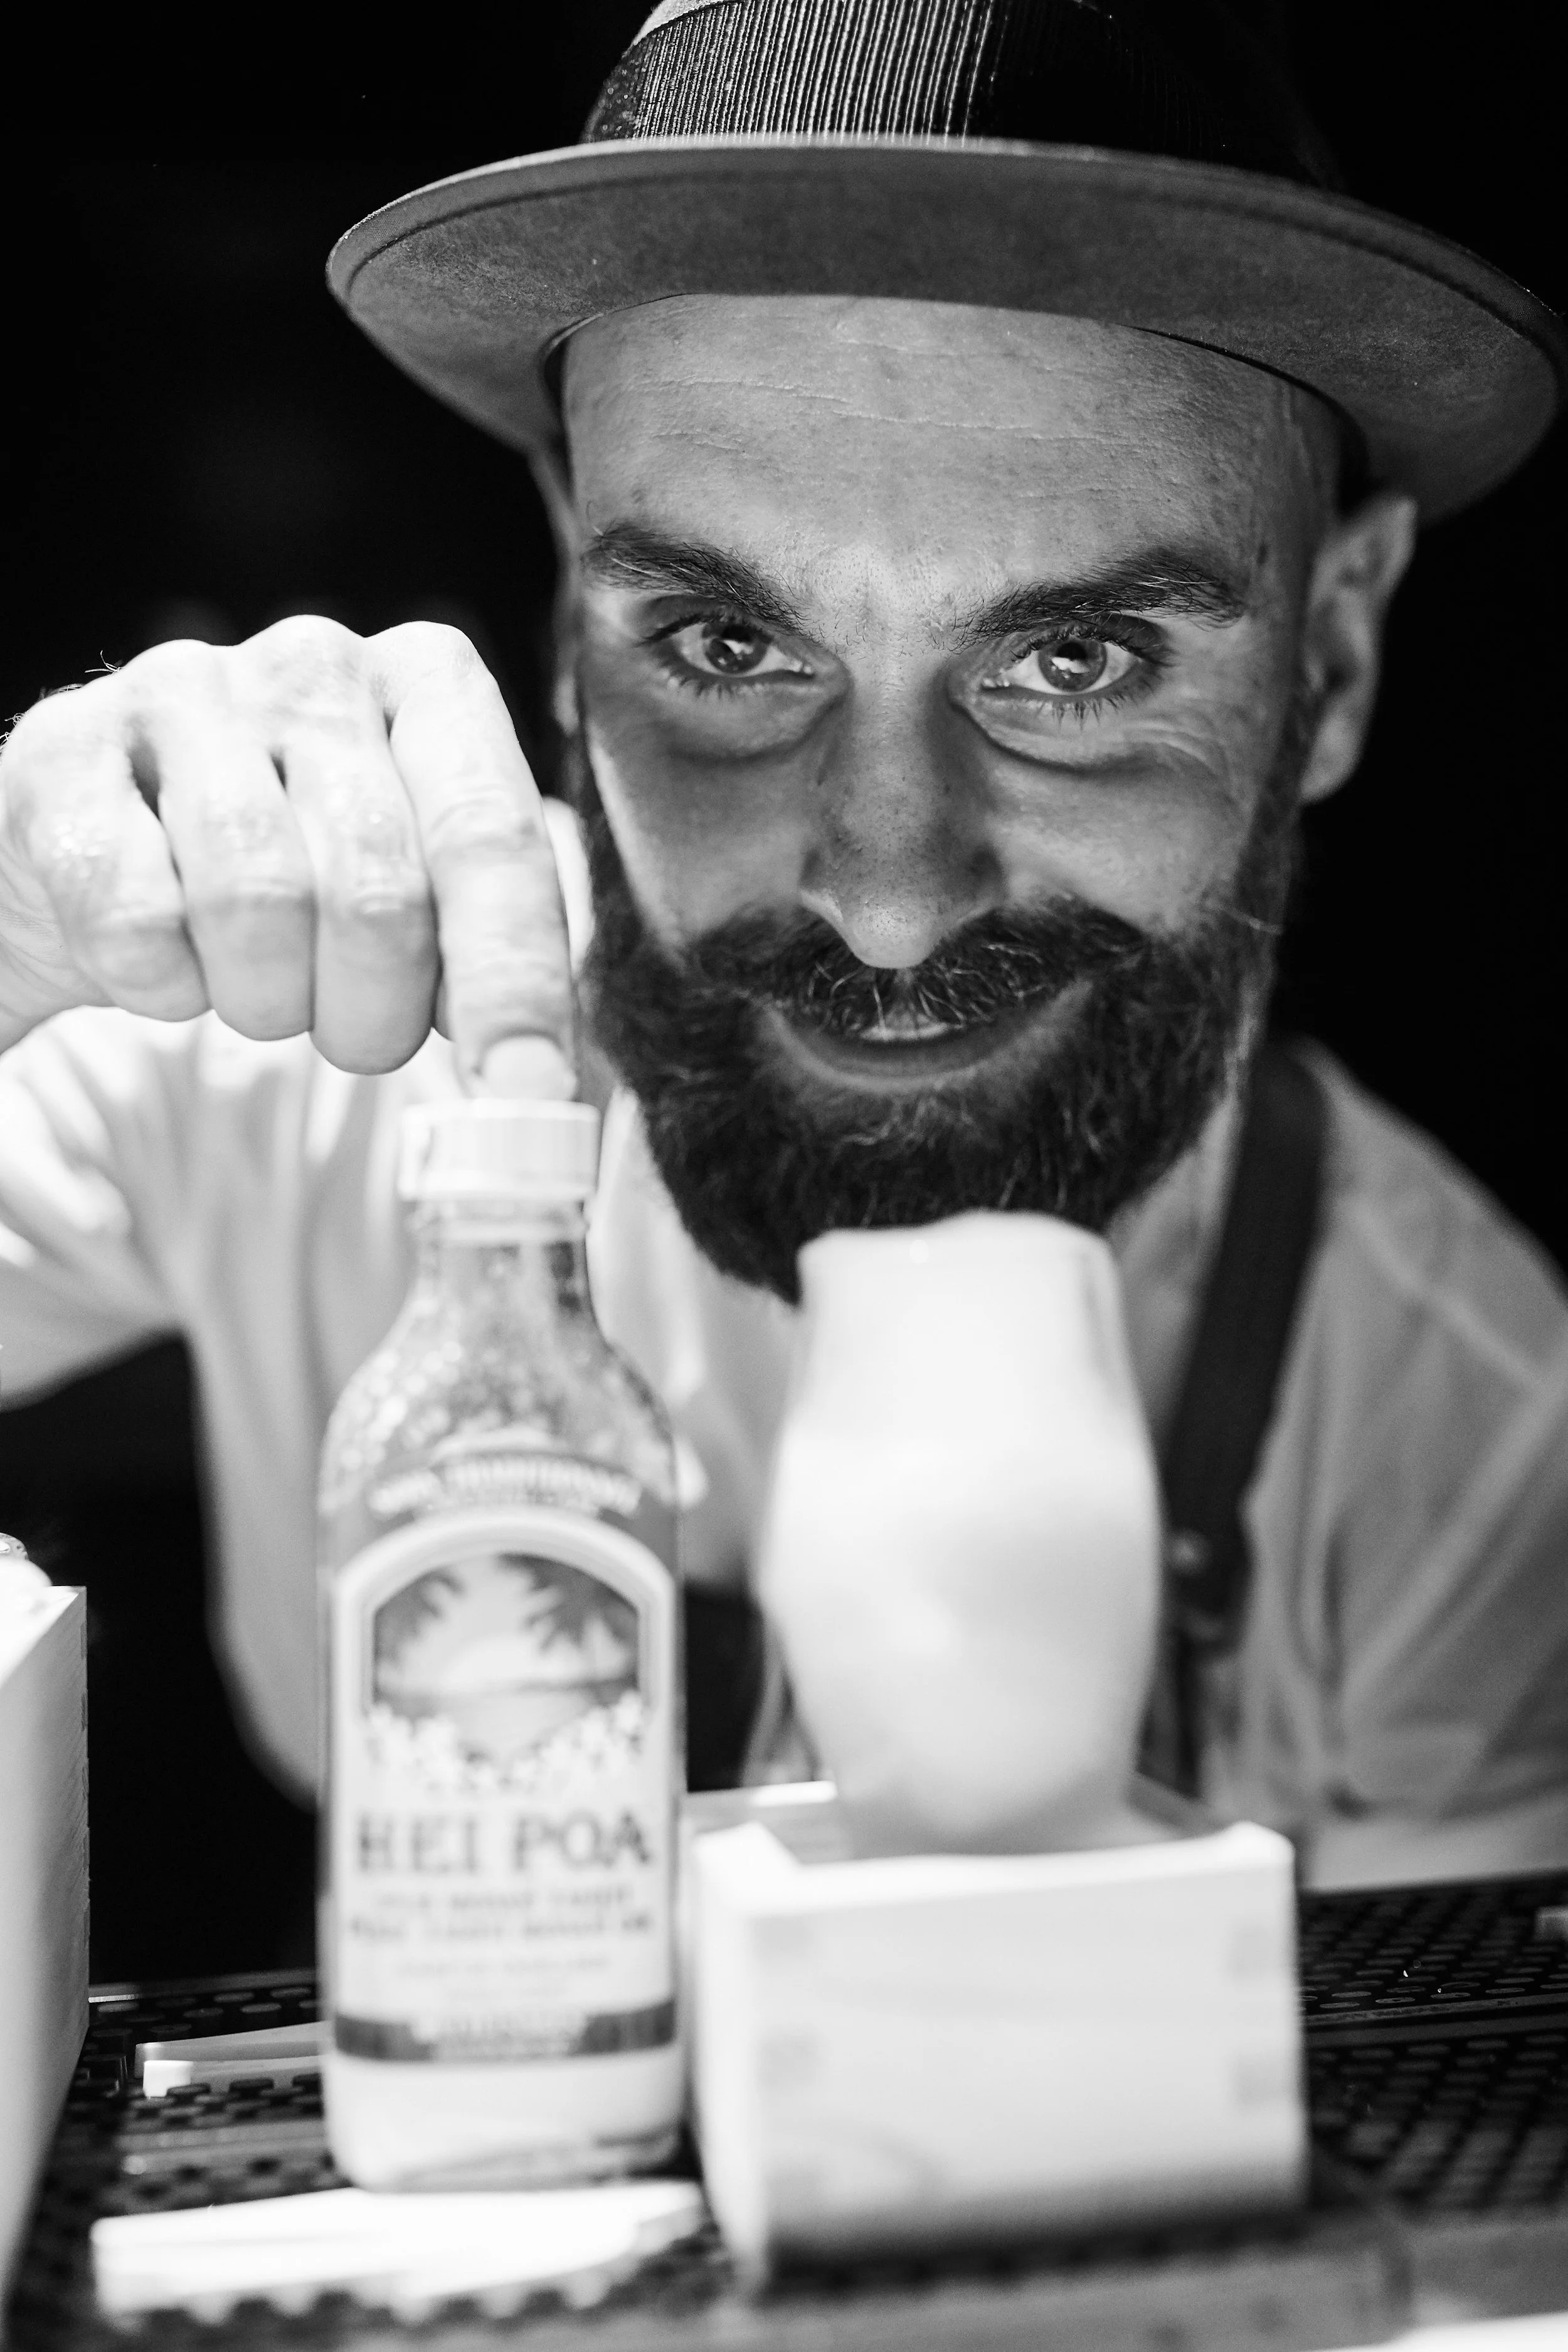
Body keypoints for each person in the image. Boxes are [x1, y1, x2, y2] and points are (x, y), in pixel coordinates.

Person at [2, 0, 1565, 1890]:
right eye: (728, 651)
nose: (886, 896)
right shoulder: (296, 1049)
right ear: (570, 584)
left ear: (1328, 656)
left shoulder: (1457, 1446)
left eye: (1072, 663)